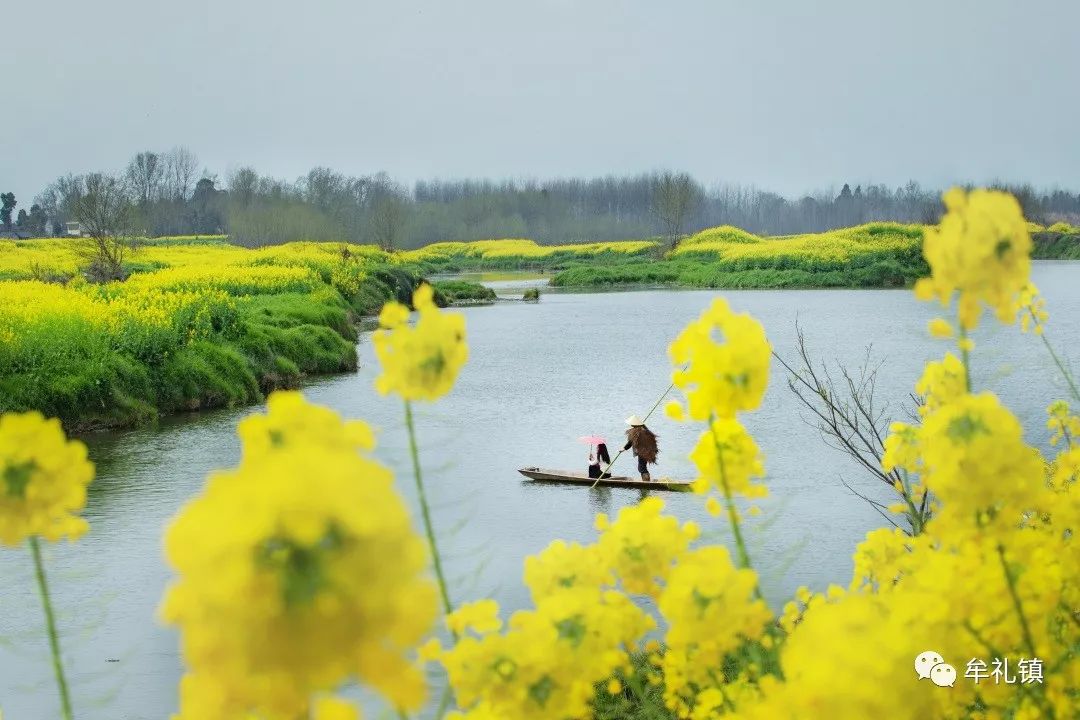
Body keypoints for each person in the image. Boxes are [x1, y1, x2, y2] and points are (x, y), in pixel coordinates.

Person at [623, 415, 659, 482]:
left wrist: (624, 448)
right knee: (643, 467)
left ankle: (646, 482)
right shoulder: (646, 430)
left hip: (643, 452)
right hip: (648, 451)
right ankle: (646, 481)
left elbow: (630, 442)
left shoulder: (636, 432)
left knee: (642, 468)